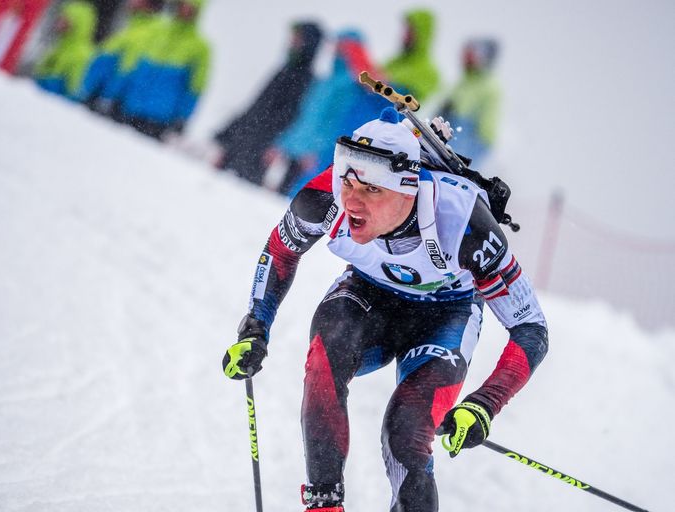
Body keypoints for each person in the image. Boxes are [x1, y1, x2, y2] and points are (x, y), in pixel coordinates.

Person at [222, 107, 548, 512]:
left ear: (409, 189)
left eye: (373, 190)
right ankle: (324, 504)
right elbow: (280, 252)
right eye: (348, 181)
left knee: (406, 432)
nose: (353, 201)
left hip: (446, 313)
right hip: (368, 295)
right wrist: (255, 326)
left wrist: (485, 403)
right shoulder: (325, 198)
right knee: (326, 358)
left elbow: (531, 327)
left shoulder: (465, 222)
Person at [269, 29, 387, 196]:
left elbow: (335, 123)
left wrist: (316, 151)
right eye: (336, 45)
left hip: (314, 158)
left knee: (296, 201)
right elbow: (307, 118)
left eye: (343, 46)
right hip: (297, 153)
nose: (336, 50)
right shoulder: (327, 80)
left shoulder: (351, 86)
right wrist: (285, 145)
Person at [212, 21, 323, 185]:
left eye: (298, 39)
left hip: (260, 150)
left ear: (309, 43)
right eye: (293, 38)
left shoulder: (305, 79)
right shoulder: (284, 69)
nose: (292, 42)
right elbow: (255, 107)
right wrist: (227, 135)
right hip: (242, 141)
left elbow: (290, 117)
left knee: (238, 194)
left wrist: (276, 146)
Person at [118, 0, 210, 139]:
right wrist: (117, 92)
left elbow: (195, 87)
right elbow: (133, 66)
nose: (183, 10)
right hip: (130, 106)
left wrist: (182, 117)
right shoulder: (157, 32)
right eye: (181, 5)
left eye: (189, 7)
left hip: (159, 118)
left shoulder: (200, 48)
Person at [80, 0, 166, 119]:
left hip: (109, 100)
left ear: (149, 5)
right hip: (98, 92)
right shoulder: (134, 26)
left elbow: (127, 68)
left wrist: (109, 95)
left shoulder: (147, 31)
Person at [438, 38, 501, 168]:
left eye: (472, 54)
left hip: (465, 145)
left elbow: (486, 132)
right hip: (446, 140)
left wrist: (470, 157)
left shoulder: (489, 87)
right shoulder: (462, 83)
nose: (467, 57)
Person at [33, 0, 96, 101]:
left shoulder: (82, 54)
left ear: (79, 25)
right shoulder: (59, 46)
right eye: (61, 18)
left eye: (66, 20)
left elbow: (74, 92)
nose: (60, 23)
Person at [384, 9, 441, 103]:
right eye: (405, 29)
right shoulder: (393, 63)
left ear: (422, 34)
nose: (405, 34)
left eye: (410, 30)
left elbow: (409, 106)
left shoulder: (428, 73)